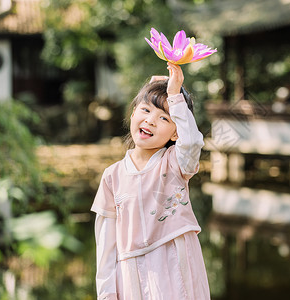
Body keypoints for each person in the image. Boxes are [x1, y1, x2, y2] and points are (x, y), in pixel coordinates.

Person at [91, 62, 210, 300]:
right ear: (133, 112)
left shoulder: (176, 163)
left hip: (177, 266)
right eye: (145, 110)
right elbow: (105, 245)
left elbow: (192, 142)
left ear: (175, 133)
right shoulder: (112, 176)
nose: (151, 121)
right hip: (132, 275)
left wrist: (175, 96)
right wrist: (106, 294)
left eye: (164, 118)